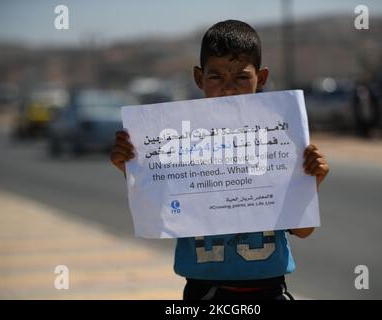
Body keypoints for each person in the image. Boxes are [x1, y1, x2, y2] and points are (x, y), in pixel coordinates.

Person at [111, 20, 329, 300]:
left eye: (241, 77)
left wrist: (312, 181)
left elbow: (302, 229)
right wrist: (132, 171)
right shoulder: (177, 143)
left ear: (261, 79)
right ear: (198, 78)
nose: (229, 88)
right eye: (216, 77)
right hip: (203, 293)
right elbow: (160, 213)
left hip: (270, 291)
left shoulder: (280, 140)